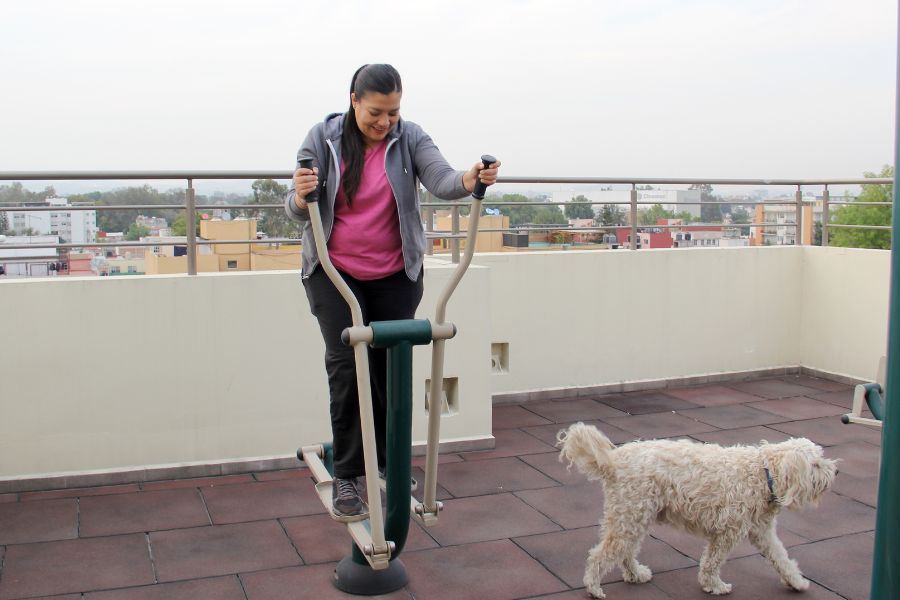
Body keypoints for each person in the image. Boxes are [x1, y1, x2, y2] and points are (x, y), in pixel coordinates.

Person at [285, 64, 500, 518]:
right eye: (375, 113)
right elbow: (297, 210)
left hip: (395, 272)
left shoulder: (411, 137)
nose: (385, 123)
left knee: (388, 368)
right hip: (334, 271)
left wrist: (470, 178)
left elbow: (441, 179)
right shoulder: (321, 139)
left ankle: (385, 462)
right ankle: (347, 475)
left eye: (393, 112)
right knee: (348, 367)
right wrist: (301, 195)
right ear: (353, 101)